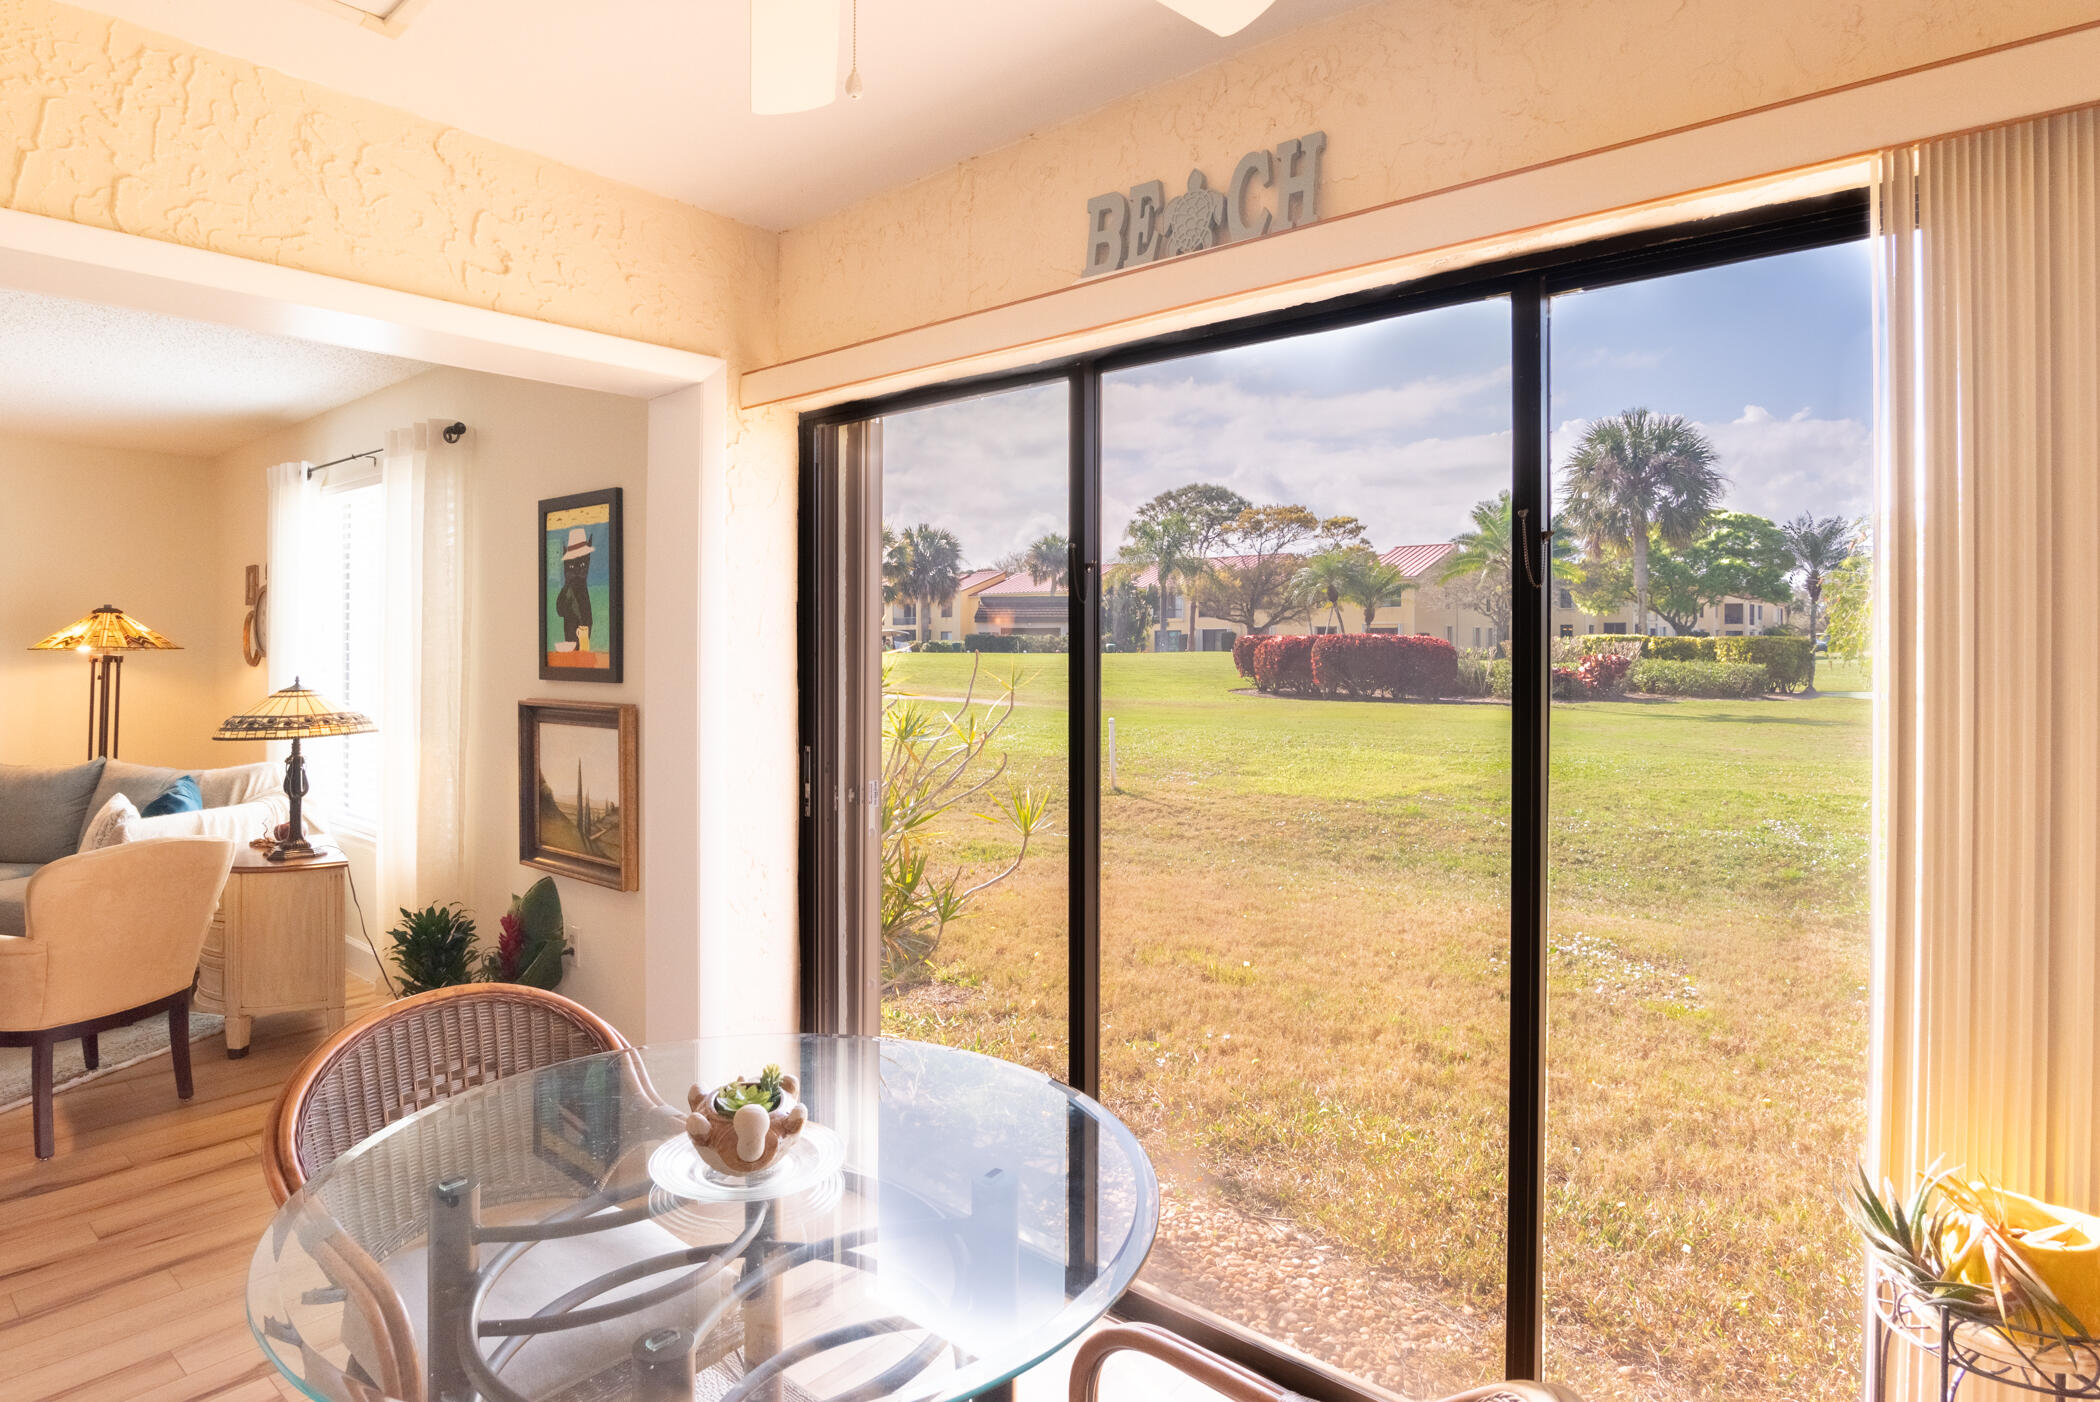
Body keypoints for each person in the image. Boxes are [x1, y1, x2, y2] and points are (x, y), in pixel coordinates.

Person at [555, 526, 595, 653]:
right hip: (571, 639)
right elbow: (560, 611)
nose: (577, 571)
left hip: (582, 639)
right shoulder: (569, 588)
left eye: (582, 565)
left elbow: (587, 617)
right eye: (572, 566)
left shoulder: (581, 587)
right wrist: (566, 588)